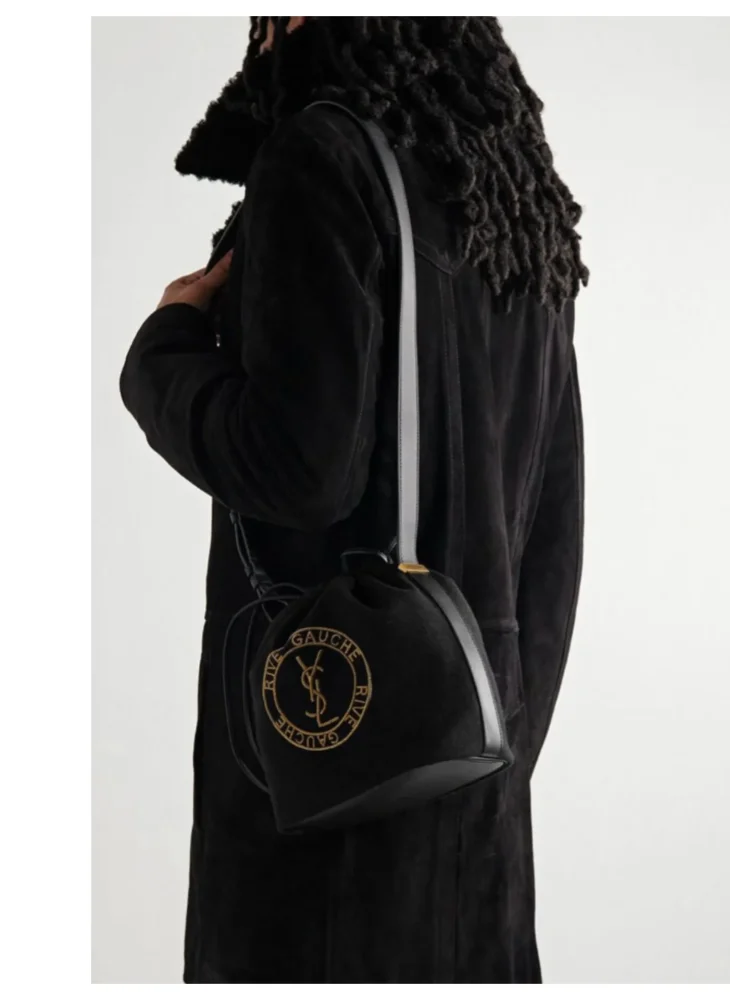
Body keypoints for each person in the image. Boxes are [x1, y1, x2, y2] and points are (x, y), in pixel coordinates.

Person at [119, 16, 586, 984]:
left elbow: (298, 470)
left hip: (325, 769)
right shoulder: (510, 193)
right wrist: (497, 730)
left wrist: (163, 352)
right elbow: (553, 519)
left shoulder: (322, 155)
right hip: (474, 754)